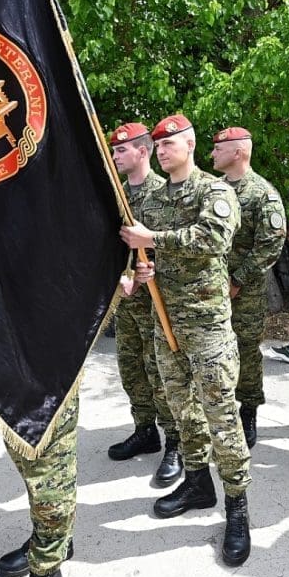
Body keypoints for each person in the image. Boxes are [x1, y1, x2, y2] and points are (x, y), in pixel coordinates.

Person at [120, 114, 252, 567]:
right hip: (166, 323)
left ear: (190, 145)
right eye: (157, 145)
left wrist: (153, 238)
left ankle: (237, 507)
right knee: (183, 410)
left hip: (207, 326)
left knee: (222, 416)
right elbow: (150, 253)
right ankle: (197, 483)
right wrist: (145, 269)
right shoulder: (156, 198)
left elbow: (213, 239)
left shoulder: (214, 191)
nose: (162, 150)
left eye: (169, 144)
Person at [107, 122, 182, 487]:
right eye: (114, 150)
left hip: (157, 303)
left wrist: (148, 272)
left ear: (142, 151)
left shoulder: (164, 194)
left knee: (162, 374)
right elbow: (111, 246)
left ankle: (176, 443)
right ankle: (145, 430)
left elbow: (174, 248)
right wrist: (121, 275)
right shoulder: (118, 195)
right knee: (131, 369)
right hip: (127, 303)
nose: (115, 156)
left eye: (122, 150)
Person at [210, 126, 287, 448]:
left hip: (245, 292)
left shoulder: (262, 193)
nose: (212, 154)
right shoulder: (213, 189)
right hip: (210, 287)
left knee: (245, 350)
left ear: (238, 152)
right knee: (212, 350)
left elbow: (270, 243)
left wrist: (238, 279)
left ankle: (249, 409)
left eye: (219, 148)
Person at [0, 390, 79, 577]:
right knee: (23, 452)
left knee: (48, 471)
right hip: (8, 377)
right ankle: (54, 541)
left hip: (44, 377)